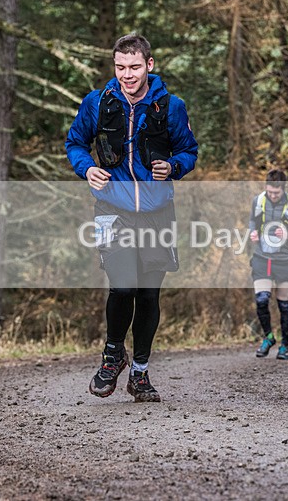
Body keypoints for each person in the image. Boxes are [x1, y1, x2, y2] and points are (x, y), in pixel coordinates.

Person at [65, 33, 198, 401]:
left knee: (148, 294)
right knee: (123, 286)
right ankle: (113, 355)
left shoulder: (171, 106)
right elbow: (75, 143)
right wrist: (86, 168)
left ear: (149, 65)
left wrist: (173, 166)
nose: (127, 74)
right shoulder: (97, 102)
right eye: (120, 67)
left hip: (157, 212)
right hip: (113, 208)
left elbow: (189, 151)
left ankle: (139, 372)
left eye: (135, 67)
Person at [248, 169, 288, 359]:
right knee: (262, 299)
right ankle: (269, 337)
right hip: (262, 257)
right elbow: (252, 222)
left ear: (283, 189)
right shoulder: (258, 201)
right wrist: (252, 233)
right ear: (266, 187)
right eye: (270, 192)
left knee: (284, 304)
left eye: (276, 193)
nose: (273, 196)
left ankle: (285, 345)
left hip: (284, 259)